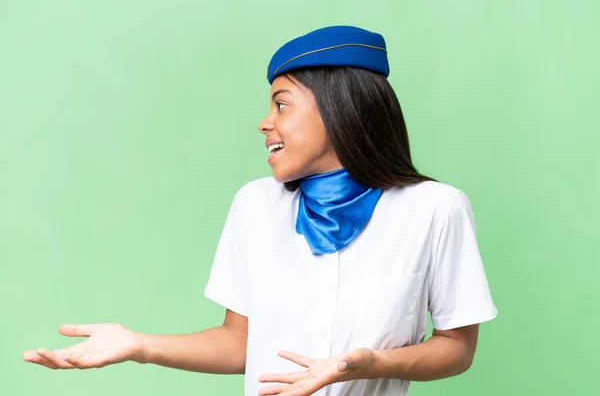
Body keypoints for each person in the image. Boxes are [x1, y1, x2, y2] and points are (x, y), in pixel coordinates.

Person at [22, 26, 498, 396]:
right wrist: (139, 345)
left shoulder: (436, 208)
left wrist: (371, 363)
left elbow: (456, 348)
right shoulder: (255, 204)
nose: (265, 123)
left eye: (282, 104)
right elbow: (238, 342)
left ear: (338, 110)